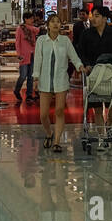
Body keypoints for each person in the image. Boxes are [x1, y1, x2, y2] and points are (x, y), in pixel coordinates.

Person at [32, 12, 84, 154]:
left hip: (61, 79)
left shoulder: (65, 41)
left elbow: (73, 56)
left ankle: (57, 141)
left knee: (60, 110)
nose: (56, 24)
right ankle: (49, 133)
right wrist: (35, 78)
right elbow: (37, 60)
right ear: (48, 25)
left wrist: (80, 66)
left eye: (58, 21)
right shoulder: (41, 41)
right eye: (53, 21)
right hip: (44, 80)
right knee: (43, 114)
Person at [14, 12, 38, 104]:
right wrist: (19, 54)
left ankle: (29, 95)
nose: (32, 20)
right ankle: (16, 90)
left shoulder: (32, 29)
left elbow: (37, 30)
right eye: (31, 19)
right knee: (23, 75)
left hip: (33, 54)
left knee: (31, 76)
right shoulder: (20, 29)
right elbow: (17, 42)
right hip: (24, 55)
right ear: (26, 19)